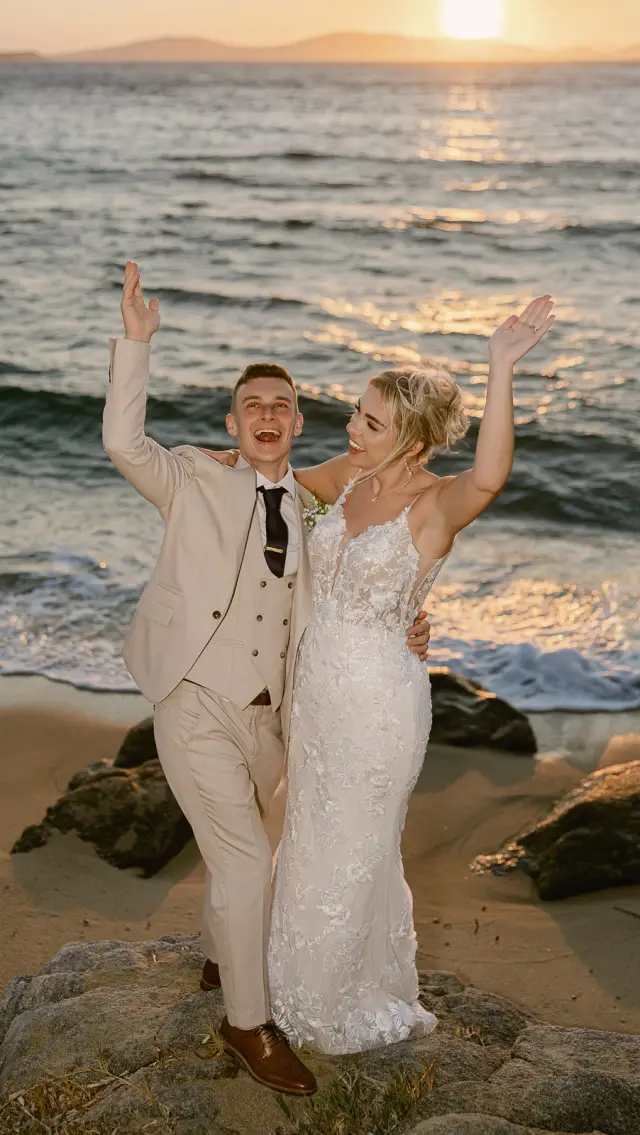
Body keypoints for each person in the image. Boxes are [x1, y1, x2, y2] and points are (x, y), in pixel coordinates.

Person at [102, 261, 432, 1094]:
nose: (266, 413)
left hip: (277, 718)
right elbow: (122, 443)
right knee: (249, 864)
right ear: (231, 421)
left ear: (297, 422)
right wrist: (136, 344)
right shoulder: (191, 478)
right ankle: (248, 1023)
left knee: (240, 845)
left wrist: (408, 616)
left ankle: (220, 959)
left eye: (281, 404)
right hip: (194, 700)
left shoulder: (320, 497)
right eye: (252, 403)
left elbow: (396, 508)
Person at [215, 294, 555, 1054]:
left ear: (410, 438)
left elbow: (493, 474)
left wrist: (500, 365)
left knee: (353, 844)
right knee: (304, 831)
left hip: (378, 705)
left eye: (370, 423)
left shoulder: (434, 507)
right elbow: (272, 474)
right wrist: (196, 464)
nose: (352, 430)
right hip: (317, 694)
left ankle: (331, 999)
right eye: (356, 416)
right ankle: (278, 974)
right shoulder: (352, 480)